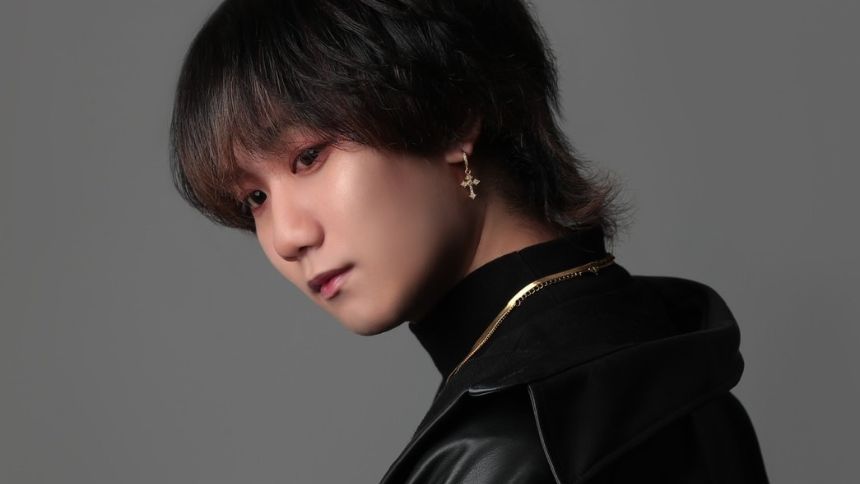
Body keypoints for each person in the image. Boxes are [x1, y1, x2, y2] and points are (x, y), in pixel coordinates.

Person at [169, 0, 770, 482]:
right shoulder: (673, 355)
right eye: (255, 199)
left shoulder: (508, 447)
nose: (287, 237)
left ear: (451, 116)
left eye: (308, 156)